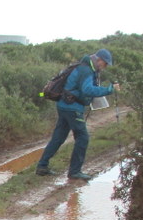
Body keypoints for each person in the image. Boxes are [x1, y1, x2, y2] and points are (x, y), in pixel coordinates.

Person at [35, 48, 120, 181]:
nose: (105, 66)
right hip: (72, 108)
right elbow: (87, 90)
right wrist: (109, 89)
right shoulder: (86, 70)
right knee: (82, 137)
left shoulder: (83, 67)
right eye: (105, 63)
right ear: (99, 60)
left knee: (58, 137)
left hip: (63, 105)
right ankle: (75, 172)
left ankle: (42, 166)